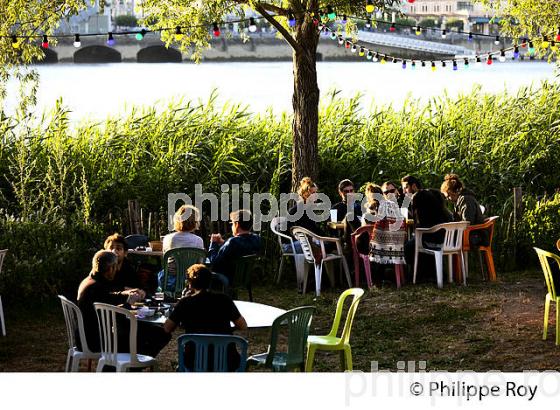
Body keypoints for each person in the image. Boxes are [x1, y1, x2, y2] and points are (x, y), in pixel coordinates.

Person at [77, 251, 169, 358]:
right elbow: (118, 317)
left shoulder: (91, 281)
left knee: (146, 332)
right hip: (97, 341)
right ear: (111, 268)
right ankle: (134, 365)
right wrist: (129, 303)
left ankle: (127, 366)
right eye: (115, 267)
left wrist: (126, 294)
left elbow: (110, 296)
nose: (116, 270)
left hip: (88, 336)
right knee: (159, 334)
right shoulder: (96, 288)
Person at [163, 264, 247, 371]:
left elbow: (167, 328)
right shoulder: (224, 300)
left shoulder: (185, 303)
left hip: (193, 361)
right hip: (227, 360)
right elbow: (243, 325)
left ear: (190, 283)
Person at [404, 189, 453, 278]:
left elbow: (422, 232)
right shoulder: (446, 213)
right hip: (448, 244)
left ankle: (412, 273)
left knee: (408, 246)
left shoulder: (425, 215)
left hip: (431, 244)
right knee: (413, 242)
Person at [208, 209, 261, 286]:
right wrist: (224, 243)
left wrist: (213, 243)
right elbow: (242, 246)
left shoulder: (232, 242)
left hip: (227, 278)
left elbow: (214, 262)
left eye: (232, 223)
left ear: (237, 224)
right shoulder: (256, 239)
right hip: (245, 278)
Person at [159, 204, 205, 291]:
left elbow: (165, 259)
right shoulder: (198, 240)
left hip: (169, 282)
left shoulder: (168, 238)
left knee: (160, 272)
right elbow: (199, 264)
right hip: (191, 282)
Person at [440, 174, 487, 246]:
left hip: (475, 236)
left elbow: (467, 222)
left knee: (440, 238)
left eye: (448, 196)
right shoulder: (461, 199)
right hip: (471, 233)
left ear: (451, 191)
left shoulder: (465, 199)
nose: (448, 199)